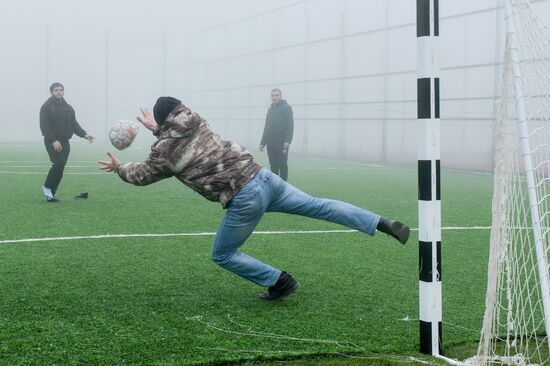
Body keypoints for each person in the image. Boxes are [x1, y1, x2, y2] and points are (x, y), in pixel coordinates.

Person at [99, 97, 410, 301]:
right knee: (319, 205)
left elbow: (142, 174)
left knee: (223, 254)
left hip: (243, 196)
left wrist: (118, 168)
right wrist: (159, 128)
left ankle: (279, 281)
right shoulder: (197, 121)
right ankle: (379, 222)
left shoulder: (164, 152)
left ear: (162, 122)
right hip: (265, 178)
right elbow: (177, 132)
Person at [40, 82, 95, 202]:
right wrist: (53, 140)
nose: (58, 91)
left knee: (61, 167)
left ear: (63, 92)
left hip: (65, 142)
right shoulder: (46, 106)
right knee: (58, 163)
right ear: (51, 92)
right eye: (56, 90)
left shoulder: (68, 108)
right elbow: (44, 126)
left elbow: (74, 125)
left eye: (60, 89)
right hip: (52, 141)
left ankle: (51, 195)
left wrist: (85, 134)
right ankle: (47, 186)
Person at [259, 88, 293, 181]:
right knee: (273, 165)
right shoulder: (270, 110)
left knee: (282, 165)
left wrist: (287, 140)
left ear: (281, 96)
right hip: (271, 142)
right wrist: (263, 142)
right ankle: (275, 185)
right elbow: (266, 127)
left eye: (276, 95)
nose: (274, 97)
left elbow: (290, 125)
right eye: (273, 95)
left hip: (282, 142)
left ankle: (284, 186)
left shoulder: (286, 108)